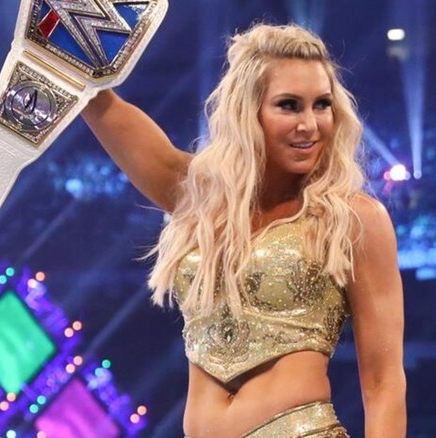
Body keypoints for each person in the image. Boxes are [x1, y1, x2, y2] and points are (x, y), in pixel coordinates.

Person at [81, 23, 406, 438]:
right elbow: (98, 100)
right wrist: (71, 48)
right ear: (247, 111)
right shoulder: (200, 198)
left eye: (321, 105)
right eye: (289, 105)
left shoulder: (353, 218)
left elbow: (383, 385)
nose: (309, 123)